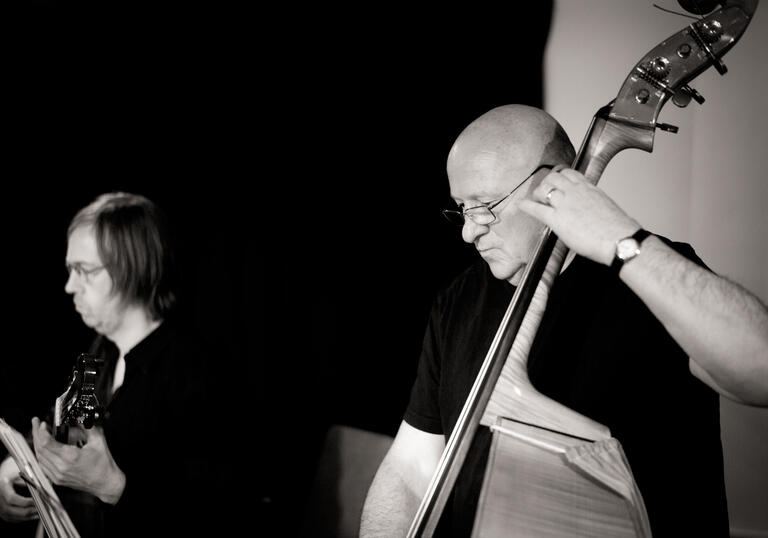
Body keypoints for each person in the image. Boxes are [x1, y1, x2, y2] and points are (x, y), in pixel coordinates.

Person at [360, 105, 768, 537]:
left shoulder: (654, 275)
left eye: (484, 205)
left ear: (553, 184)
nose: (468, 231)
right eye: (462, 207)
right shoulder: (457, 300)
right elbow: (411, 467)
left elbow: (760, 370)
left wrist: (623, 241)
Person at [0, 192, 219, 537]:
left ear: (129, 268)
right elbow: (64, 432)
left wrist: (113, 486)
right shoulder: (100, 352)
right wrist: (17, 465)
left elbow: (219, 512)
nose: (69, 286)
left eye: (83, 271)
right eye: (70, 270)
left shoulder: (198, 374)